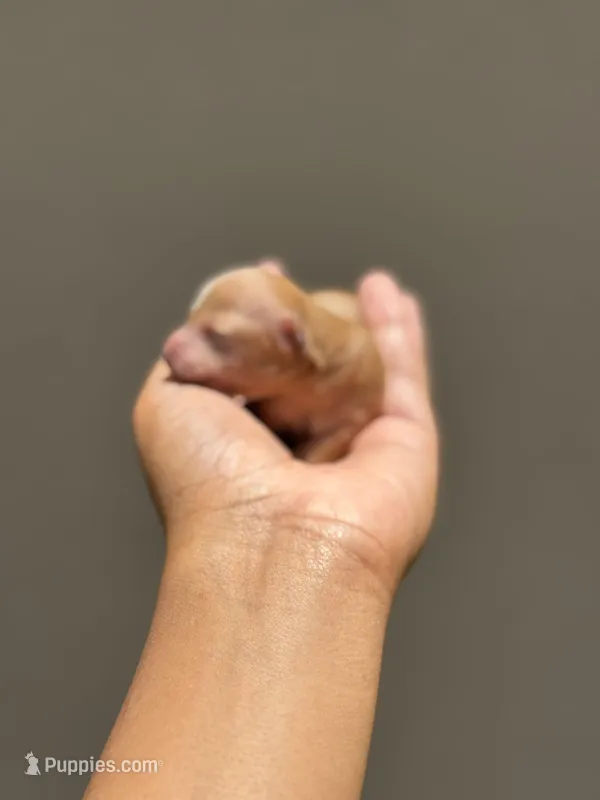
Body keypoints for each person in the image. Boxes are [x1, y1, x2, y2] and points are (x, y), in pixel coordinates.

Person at [84, 270, 439, 799]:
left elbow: (348, 419)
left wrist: (311, 481)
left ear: (292, 345)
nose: (175, 345)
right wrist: (261, 524)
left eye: (217, 340)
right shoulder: (287, 359)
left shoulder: (351, 381)